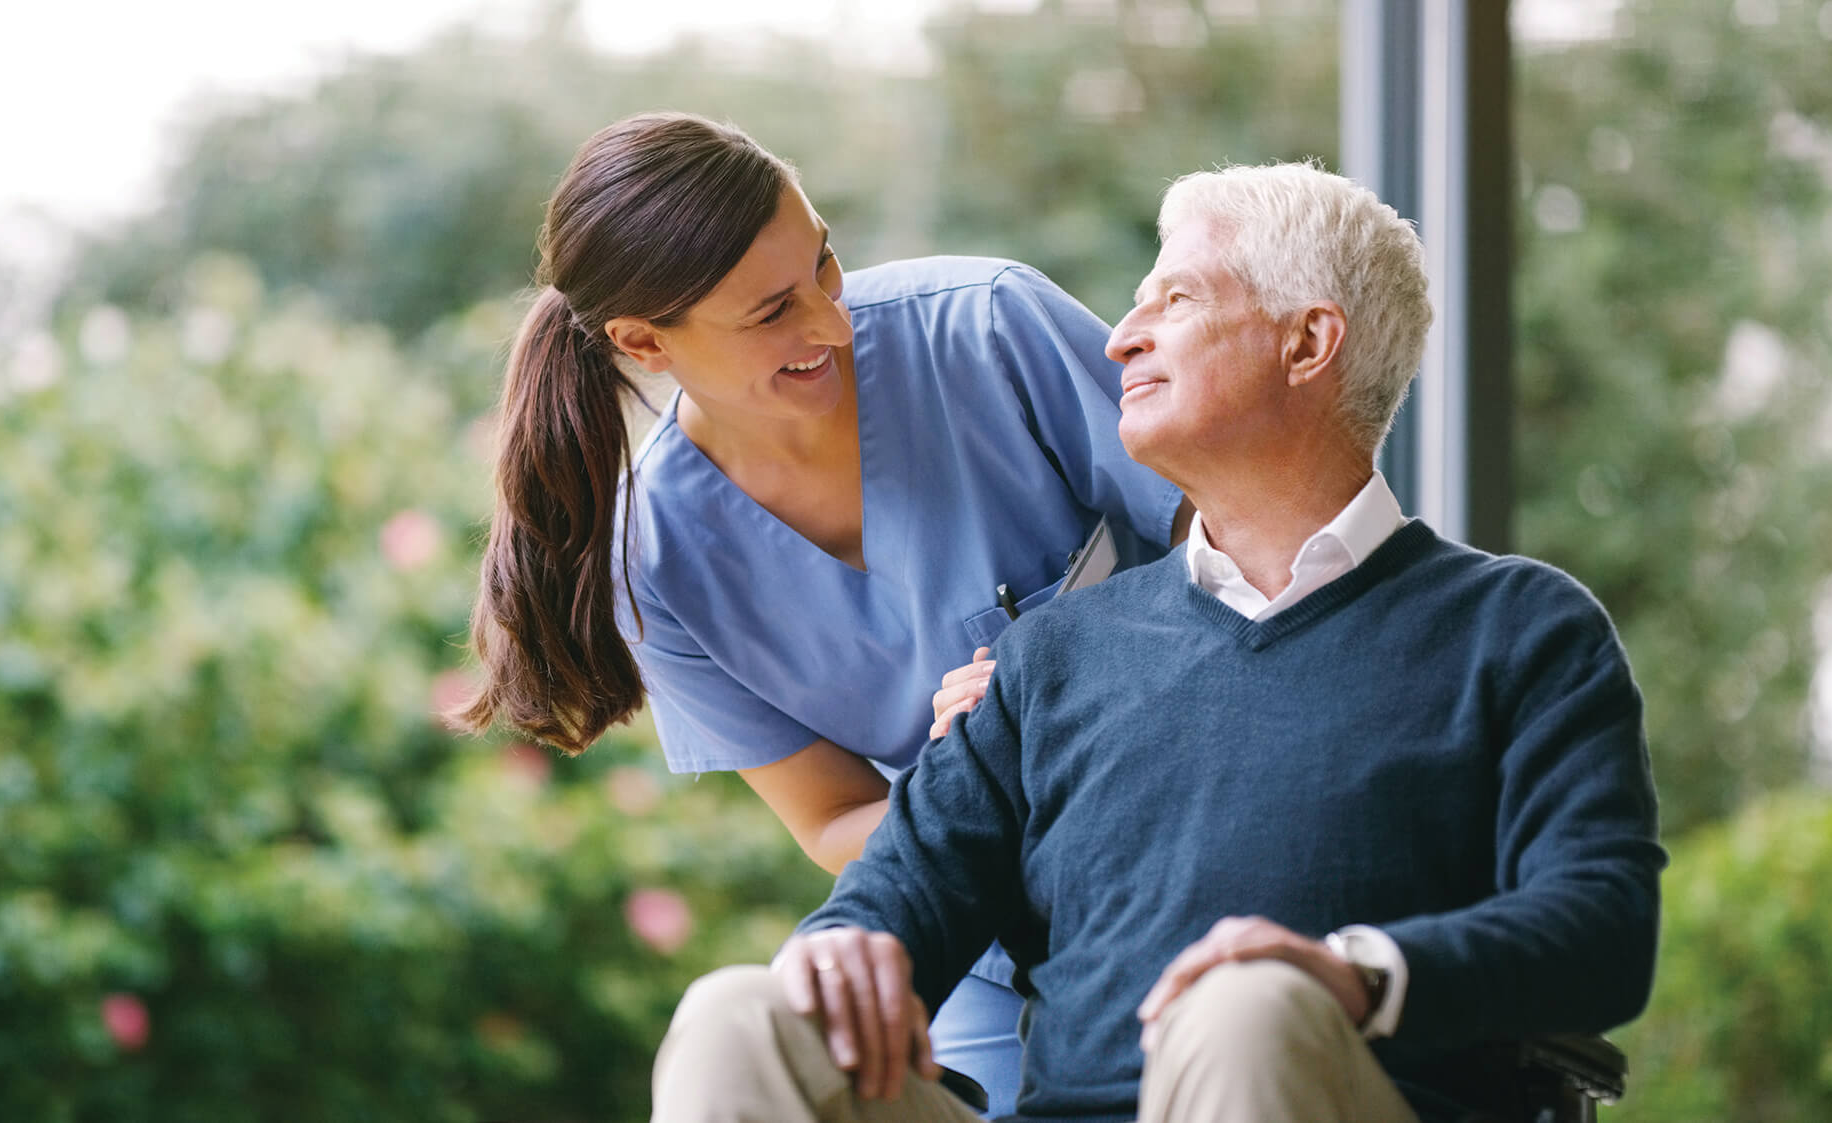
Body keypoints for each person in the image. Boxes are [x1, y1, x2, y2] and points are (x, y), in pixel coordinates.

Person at [647, 161, 1666, 1123]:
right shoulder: (1049, 660)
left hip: (1333, 1088)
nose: (1119, 337)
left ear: (1306, 345)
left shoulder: (1519, 629)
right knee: (738, 1018)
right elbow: (894, 896)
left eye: (1173, 301)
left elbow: (1602, 928)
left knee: (1247, 1007)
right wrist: (838, 949)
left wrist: (1352, 975)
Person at [450, 112, 1189, 1115]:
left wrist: (1070, 686)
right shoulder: (657, 565)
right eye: (769, 314)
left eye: (825, 268)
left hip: (1193, 852)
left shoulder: (989, 329)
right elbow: (834, 815)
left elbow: (1248, 545)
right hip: (975, 945)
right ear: (642, 342)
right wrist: (993, 800)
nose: (829, 323)